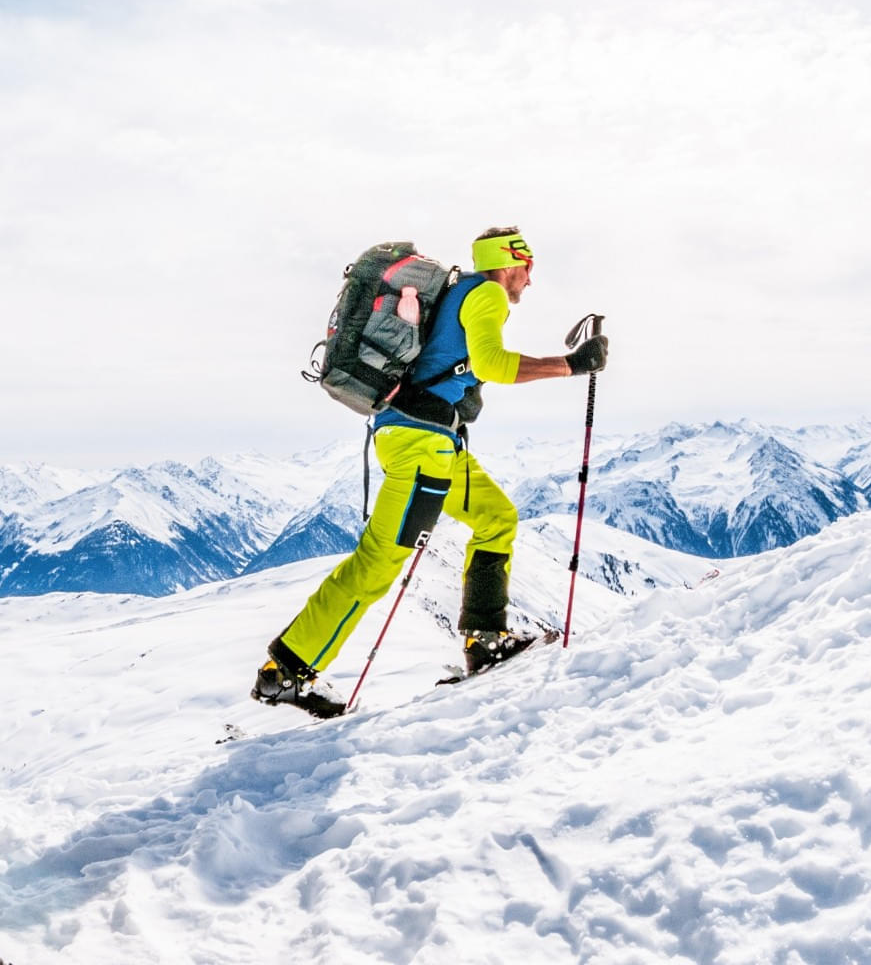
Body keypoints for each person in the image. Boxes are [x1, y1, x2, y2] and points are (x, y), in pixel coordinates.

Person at [252, 227, 609, 717]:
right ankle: (286, 671)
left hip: (430, 440)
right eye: (529, 266)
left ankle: (485, 639)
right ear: (511, 262)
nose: (530, 280)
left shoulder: (461, 291)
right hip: (422, 443)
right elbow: (494, 363)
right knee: (377, 563)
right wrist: (570, 366)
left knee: (495, 518)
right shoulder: (486, 293)